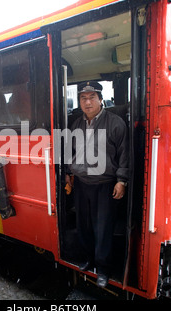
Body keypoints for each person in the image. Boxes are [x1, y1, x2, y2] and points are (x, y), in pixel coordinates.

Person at [66, 81, 128, 288]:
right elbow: (70, 152)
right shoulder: (77, 124)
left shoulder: (115, 123)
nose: (87, 102)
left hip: (105, 184)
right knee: (83, 225)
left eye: (92, 97)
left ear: (100, 99)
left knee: (103, 228)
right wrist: (68, 173)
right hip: (82, 183)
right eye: (83, 98)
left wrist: (121, 181)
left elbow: (124, 155)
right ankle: (87, 259)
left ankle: (103, 269)